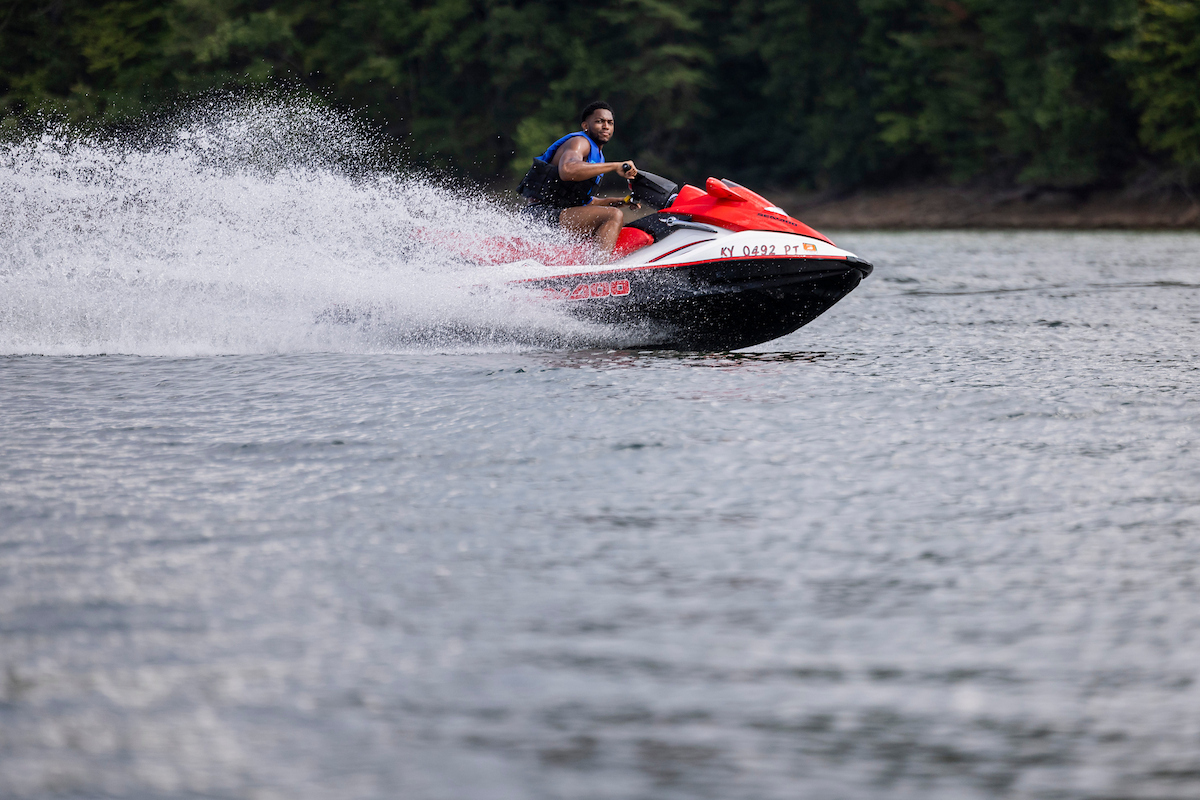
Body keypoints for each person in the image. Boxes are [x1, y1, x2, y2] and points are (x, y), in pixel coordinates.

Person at [517, 101, 639, 254]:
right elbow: (567, 170)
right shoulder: (580, 143)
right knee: (613, 216)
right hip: (541, 216)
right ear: (585, 125)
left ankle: (595, 261)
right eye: (599, 121)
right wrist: (615, 166)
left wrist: (622, 201)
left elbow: (586, 202)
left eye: (610, 123)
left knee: (618, 221)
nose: (606, 126)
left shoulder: (597, 157)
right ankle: (598, 267)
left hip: (559, 216)